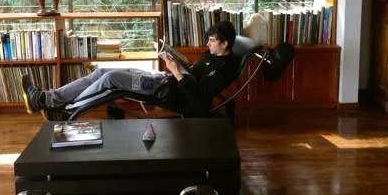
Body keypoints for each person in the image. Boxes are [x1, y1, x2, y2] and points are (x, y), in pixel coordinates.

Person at [22, 20, 239, 120]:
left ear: (225, 44)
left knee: (110, 79)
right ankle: (46, 98)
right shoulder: (211, 55)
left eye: (212, 41)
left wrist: (177, 71)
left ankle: (67, 111)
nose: (208, 44)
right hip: (162, 79)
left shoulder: (224, 70)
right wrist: (177, 63)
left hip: (163, 91)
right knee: (101, 72)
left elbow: (199, 102)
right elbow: (193, 74)